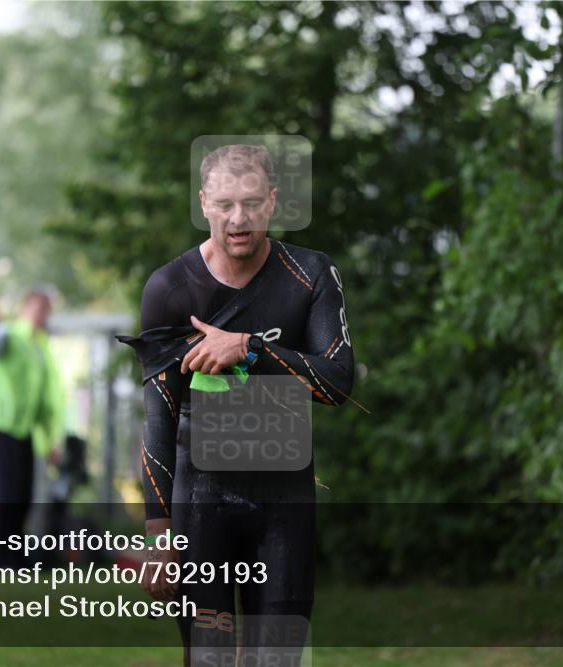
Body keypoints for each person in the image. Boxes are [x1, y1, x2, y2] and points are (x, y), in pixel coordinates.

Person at [118, 144, 354, 666]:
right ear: (204, 204)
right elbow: (159, 417)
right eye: (224, 204)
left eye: (250, 203)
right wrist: (159, 533)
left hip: (283, 504)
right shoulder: (170, 289)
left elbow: (338, 382)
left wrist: (248, 347)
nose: (238, 218)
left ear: (272, 202)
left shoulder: (311, 276)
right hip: (200, 503)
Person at [0, 288, 67, 568]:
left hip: (22, 430)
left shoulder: (41, 346)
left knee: (22, 495)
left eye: (45, 310)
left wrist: (50, 440)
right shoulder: (11, 334)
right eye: (37, 309)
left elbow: (46, 397)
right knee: (4, 493)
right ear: (25, 309)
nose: (41, 315)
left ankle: (13, 554)